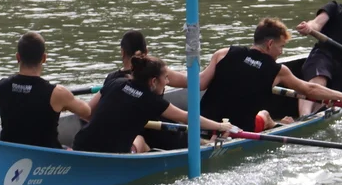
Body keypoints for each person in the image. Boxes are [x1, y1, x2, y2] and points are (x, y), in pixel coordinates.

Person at [198, 18, 342, 131]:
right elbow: (309, 89)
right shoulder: (278, 71)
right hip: (238, 130)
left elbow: (199, 84)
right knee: (265, 115)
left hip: (202, 124)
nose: (281, 52)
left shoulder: (223, 53)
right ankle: (276, 124)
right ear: (270, 44)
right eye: (281, 46)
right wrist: (341, 96)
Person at [73, 54, 236, 153]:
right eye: (165, 78)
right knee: (141, 141)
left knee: (138, 138)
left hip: (80, 144)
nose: (167, 82)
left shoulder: (115, 82)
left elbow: (87, 112)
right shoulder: (151, 100)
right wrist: (220, 126)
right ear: (153, 81)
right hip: (110, 154)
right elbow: (188, 118)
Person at [0, 31, 92, 149]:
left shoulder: (1, 86)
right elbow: (86, 111)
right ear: (44, 58)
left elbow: (23, 102)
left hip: (11, 153)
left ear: (18, 57)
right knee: (70, 149)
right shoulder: (57, 93)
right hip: (46, 157)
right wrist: (64, 105)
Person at [86, 30, 187, 112]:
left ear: (122, 52)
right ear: (146, 51)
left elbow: (89, 111)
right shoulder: (157, 72)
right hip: (149, 126)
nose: (167, 80)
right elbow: (193, 82)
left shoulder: (112, 79)